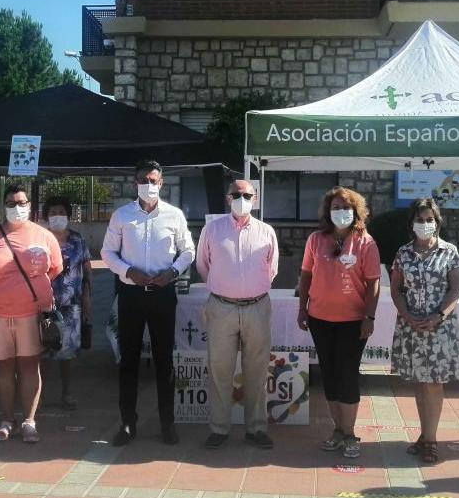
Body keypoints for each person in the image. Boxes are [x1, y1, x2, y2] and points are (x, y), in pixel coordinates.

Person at [101, 159, 195, 446]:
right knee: (128, 361)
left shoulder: (175, 215)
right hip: (130, 295)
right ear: (135, 183)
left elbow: (188, 250)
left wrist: (173, 272)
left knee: (164, 361)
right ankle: (127, 424)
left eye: (154, 180)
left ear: (162, 183)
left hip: (163, 295)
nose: (149, 185)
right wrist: (128, 271)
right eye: (144, 180)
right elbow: (107, 252)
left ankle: (168, 424)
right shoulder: (121, 215)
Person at [298, 187, 381, 460]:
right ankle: (338, 430)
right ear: (327, 211)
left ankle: (350, 433)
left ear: (356, 211)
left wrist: (369, 317)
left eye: (346, 207)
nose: (341, 212)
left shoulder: (365, 242)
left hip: (353, 321)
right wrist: (303, 308)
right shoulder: (315, 239)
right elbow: (306, 276)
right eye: (335, 207)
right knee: (329, 375)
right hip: (320, 319)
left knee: (347, 375)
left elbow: (373, 283)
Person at [196, 179, 279, 450]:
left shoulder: (267, 232)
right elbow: (203, 266)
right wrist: (227, 287)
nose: (241, 198)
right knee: (220, 368)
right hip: (222, 307)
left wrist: (248, 289)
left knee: (256, 369)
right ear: (227, 198)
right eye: (236, 194)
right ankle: (219, 428)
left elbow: (272, 269)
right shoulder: (212, 230)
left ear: (255, 199)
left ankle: (256, 428)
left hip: (257, 306)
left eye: (247, 195)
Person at [0, 184, 63, 443]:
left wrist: (32, 290)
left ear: (30, 206)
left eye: (22, 202)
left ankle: (29, 421)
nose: (17, 207)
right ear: (4, 207)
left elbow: (55, 269)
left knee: (29, 365)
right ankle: (7, 419)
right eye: (12, 203)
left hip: (30, 313)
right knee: (4, 367)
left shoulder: (43, 235)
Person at [389, 198, 459, 464]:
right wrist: (406, 314)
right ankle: (424, 434)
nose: (424, 224)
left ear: (437, 222)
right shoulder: (403, 253)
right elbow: (396, 288)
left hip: (439, 328)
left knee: (433, 383)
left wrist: (439, 315)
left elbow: (455, 289)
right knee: (420, 383)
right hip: (411, 326)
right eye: (420, 220)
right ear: (412, 223)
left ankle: (431, 441)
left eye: (429, 219)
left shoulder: (449, 252)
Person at [43, 195, 92, 411]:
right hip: (43, 306)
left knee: (67, 353)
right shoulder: (39, 239)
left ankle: (66, 392)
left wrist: (87, 300)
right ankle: (36, 393)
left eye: (61, 212)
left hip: (71, 305)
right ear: (46, 217)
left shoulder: (77, 240)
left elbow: (87, 271)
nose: (57, 216)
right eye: (53, 213)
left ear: (68, 216)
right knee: (40, 351)